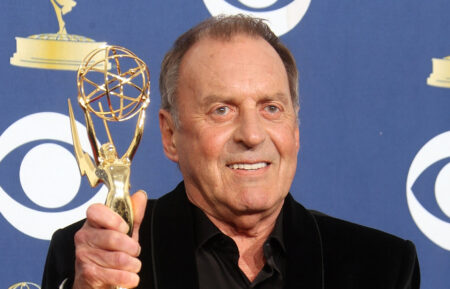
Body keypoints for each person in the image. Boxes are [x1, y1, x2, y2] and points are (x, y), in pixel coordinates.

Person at [41, 15, 420, 289]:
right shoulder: (98, 260)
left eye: (271, 108)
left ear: (296, 127)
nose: (252, 135)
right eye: (222, 110)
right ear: (170, 135)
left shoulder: (382, 267)